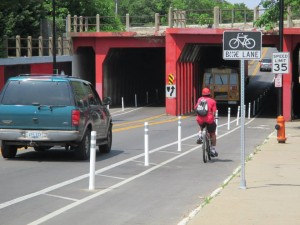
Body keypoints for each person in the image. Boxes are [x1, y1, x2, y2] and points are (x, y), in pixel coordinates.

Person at [194, 87, 218, 157]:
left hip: (200, 119)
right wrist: (213, 117)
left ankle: (200, 135)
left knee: (200, 125)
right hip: (209, 119)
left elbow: (196, 108)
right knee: (213, 133)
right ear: (209, 94)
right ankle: (213, 150)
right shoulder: (212, 101)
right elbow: (214, 112)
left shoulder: (199, 100)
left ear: (202, 94)